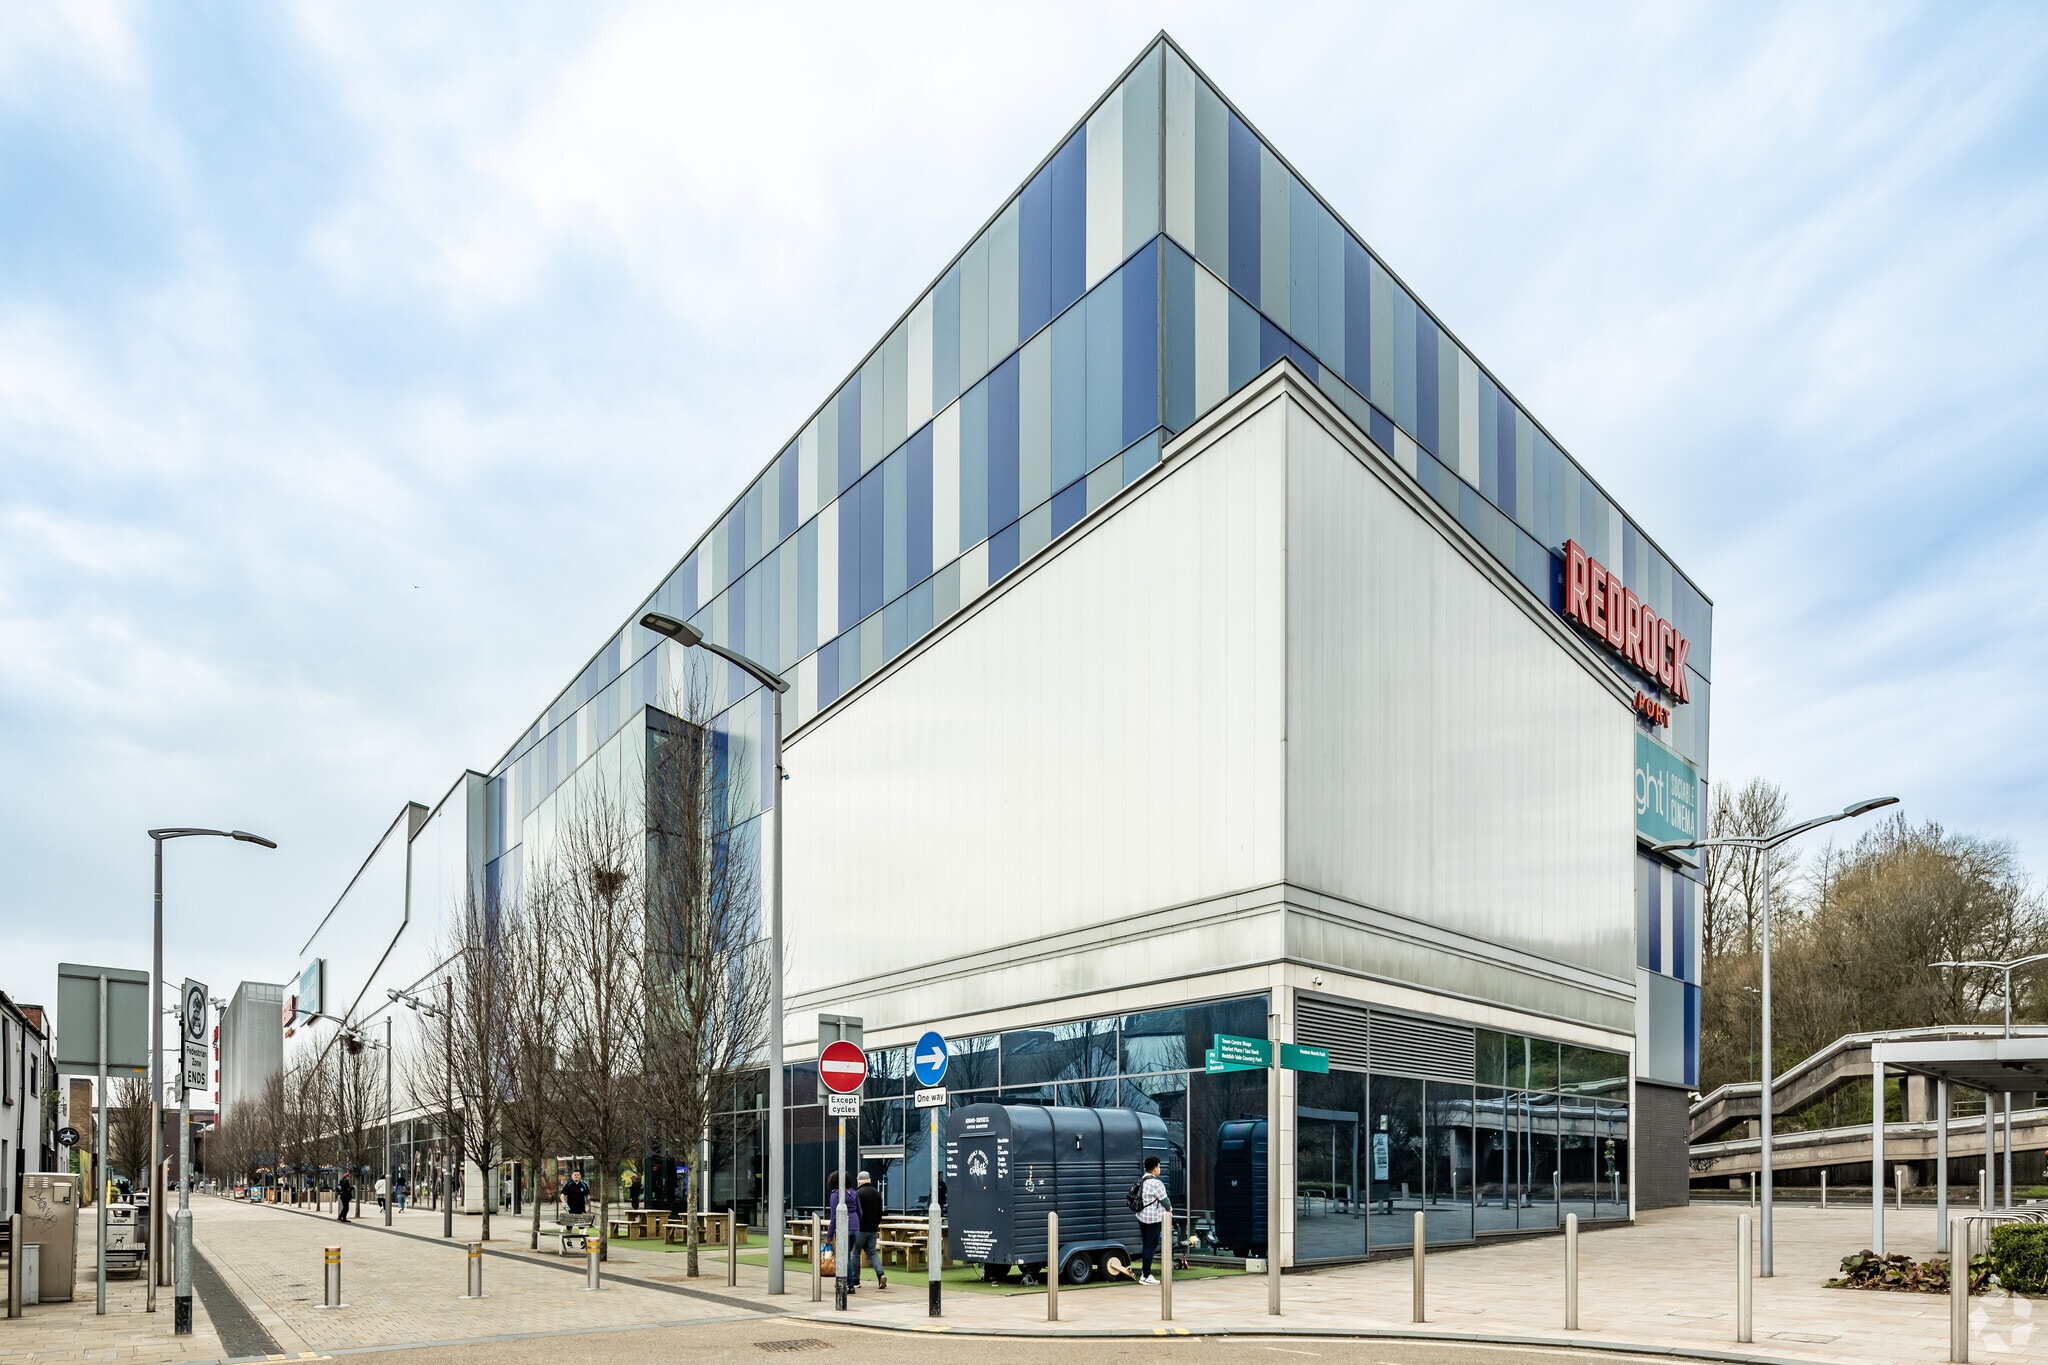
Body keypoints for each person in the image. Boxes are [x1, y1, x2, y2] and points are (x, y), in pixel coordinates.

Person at [826, 1172, 862, 1294]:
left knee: (844, 1257)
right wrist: (857, 1224)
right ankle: (850, 1282)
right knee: (849, 1256)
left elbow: (834, 1217)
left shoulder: (835, 1195)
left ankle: (849, 1284)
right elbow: (860, 1212)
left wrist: (829, 1235)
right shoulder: (853, 1193)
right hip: (855, 1227)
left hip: (843, 1227)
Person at [1134, 1156, 1169, 1285]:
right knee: (1150, 1247)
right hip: (1153, 1219)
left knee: (1146, 1246)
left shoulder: (1143, 1179)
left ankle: (1145, 1274)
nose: (1159, 1169)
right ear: (1154, 1168)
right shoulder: (1156, 1183)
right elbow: (1165, 1200)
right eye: (1159, 1166)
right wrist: (1170, 1209)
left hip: (1142, 1217)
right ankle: (1146, 1275)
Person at [854, 1172, 887, 1291]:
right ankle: (880, 1274)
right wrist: (876, 1224)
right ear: (870, 1180)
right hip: (873, 1229)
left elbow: (857, 1211)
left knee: (855, 1253)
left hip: (860, 1228)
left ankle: (855, 1280)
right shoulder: (877, 1193)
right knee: (872, 1253)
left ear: (859, 1181)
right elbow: (880, 1213)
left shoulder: (858, 1194)